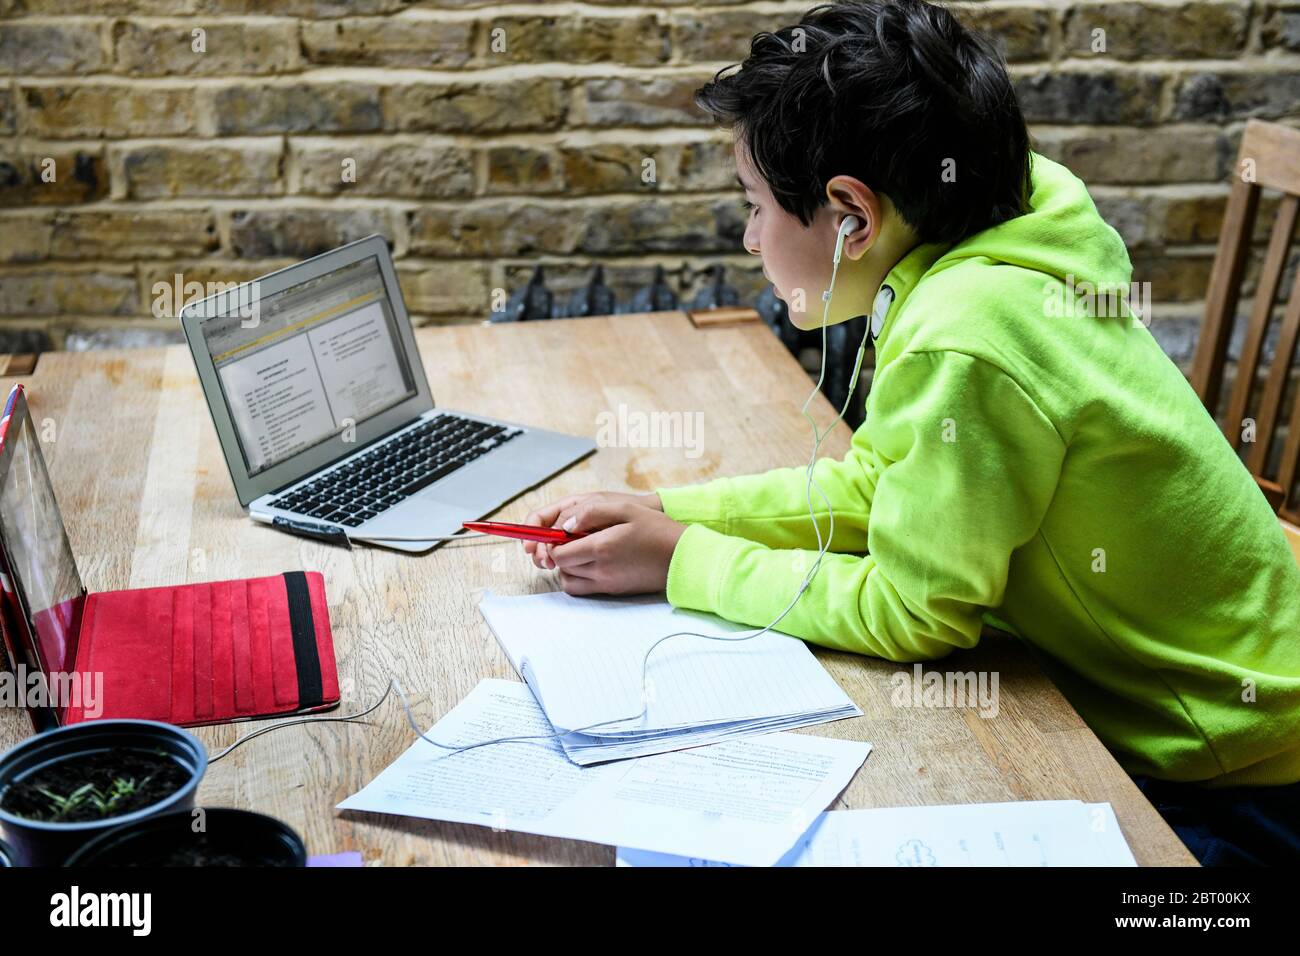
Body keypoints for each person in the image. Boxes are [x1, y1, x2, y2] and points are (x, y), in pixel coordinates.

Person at [519, 0, 1300, 865]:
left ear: (851, 212)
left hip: (1232, 775)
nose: (749, 240)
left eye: (753, 207)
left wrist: (682, 562)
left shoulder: (969, 336)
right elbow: (882, 486)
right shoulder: (1000, 240)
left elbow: (912, 611)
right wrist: (669, 510)